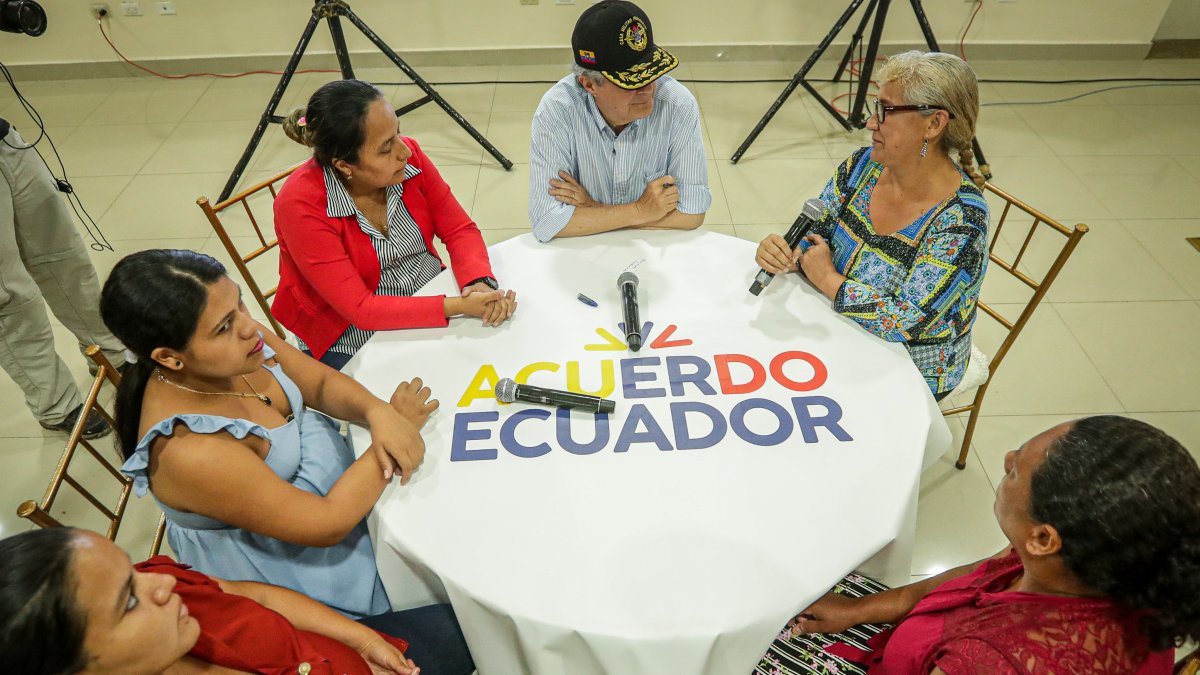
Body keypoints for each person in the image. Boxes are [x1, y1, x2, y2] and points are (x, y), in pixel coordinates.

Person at [100, 249, 433, 619]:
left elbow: (319, 383)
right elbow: (325, 524)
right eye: (223, 326)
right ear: (169, 358)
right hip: (306, 568)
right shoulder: (190, 451)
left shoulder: (239, 344)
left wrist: (379, 412)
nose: (248, 326)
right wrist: (388, 435)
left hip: (351, 492)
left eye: (239, 304)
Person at [758, 415, 1200, 674]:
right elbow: (986, 572)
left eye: (1016, 469)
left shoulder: (987, 662)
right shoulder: (1113, 563)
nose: (1007, 459)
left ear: (1044, 538)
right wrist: (864, 608)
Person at [755, 51, 988, 399]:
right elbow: (815, 232)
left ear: (934, 124)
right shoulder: (863, 166)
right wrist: (787, 250)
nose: (869, 122)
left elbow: (904, 319)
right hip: (839, 324)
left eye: (886, 110)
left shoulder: (962, 221)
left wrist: (827, 278)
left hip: (911, 366)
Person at [274, 79, 517, 370]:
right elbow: (360, 310)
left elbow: (459, 229)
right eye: (385, 147)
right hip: (349, 333)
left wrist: (476, 283)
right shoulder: (300, 205)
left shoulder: (408, 158)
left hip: (429, 294)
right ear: (344, 165)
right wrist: (456, 306)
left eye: (398, 132)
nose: (404, 151)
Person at [0, 527, 475, 675]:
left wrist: (363, 639)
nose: (159, 583)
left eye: (131, 568)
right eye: (128, 602)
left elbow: (261, 595)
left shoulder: (163, 587)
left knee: (486, 627)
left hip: (366, 657)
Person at [528, 0, 711, 242]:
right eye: (632, 82)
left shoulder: (677, 104)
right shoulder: (557, 111)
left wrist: (591, 209)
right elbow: (546, 222)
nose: (649, 89)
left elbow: (692, 214)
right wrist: (640, 210)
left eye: (652, 72)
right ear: (589, 84)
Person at [0, 118, 128, 439]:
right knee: (9, 295)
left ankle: (108, 353)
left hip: (5, 141)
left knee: (66, 258)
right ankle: (55, 403)